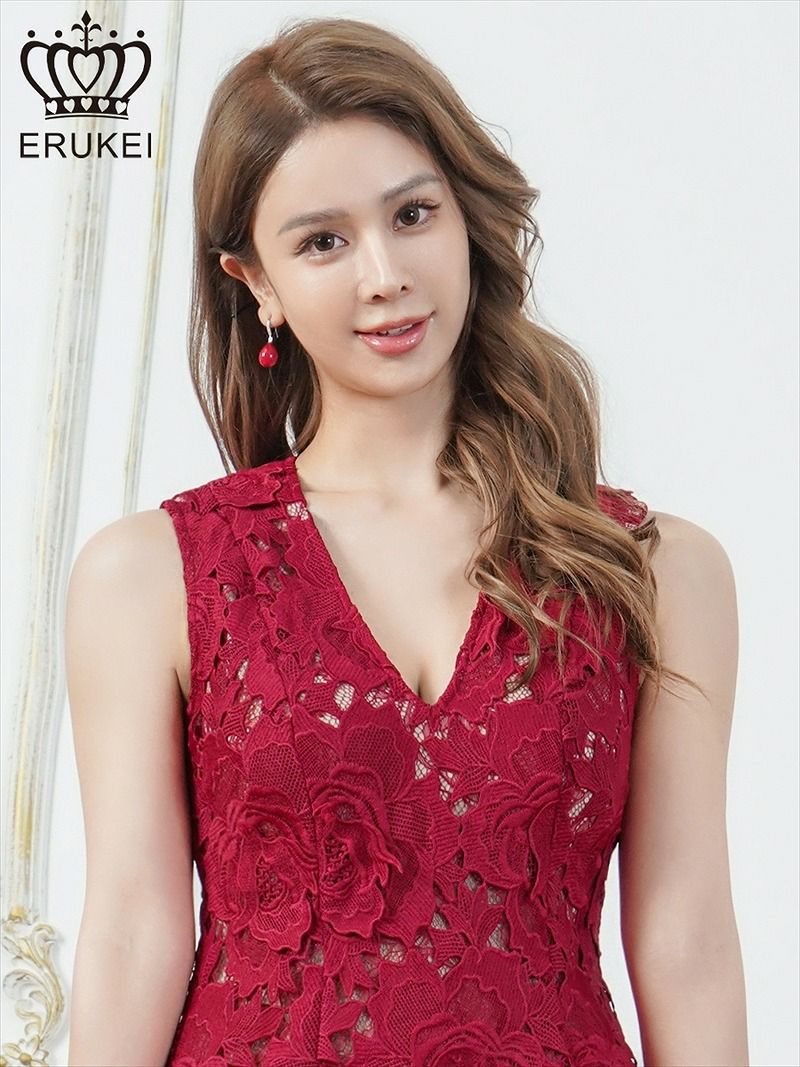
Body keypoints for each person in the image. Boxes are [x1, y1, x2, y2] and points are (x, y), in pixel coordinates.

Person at [65, 16, 748, 1067]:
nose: (383, 273)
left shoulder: (654, 570)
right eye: (322, 241)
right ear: (255, 281)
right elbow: (131, 934)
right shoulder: (150, 575)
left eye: (412, 214)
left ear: (466, 218)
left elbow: (685, 937)